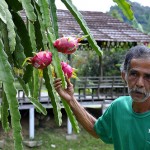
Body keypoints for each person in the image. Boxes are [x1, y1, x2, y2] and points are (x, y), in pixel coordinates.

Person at [54, 45, 150, 150]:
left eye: (148, 77)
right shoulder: (119, 107)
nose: (140, 83)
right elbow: (96, 130)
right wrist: (71, 100)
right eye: (134, 74)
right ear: (124, 76)